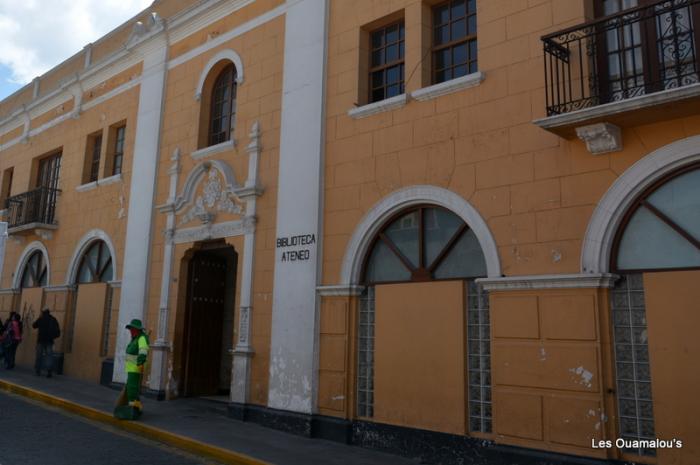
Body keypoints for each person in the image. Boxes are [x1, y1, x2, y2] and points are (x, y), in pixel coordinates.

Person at [115, 319, 149, 419]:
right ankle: (138, 408)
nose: (131, 331)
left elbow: (143, 351)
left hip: (136, 368)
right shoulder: (135, 338)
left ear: (138, 329)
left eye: (133, 329)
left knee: (132, 390)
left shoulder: (142, 338)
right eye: (130, 329)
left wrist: (140, 362)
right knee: (132, 388)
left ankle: (132, 409)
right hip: (131, 368)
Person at [32, 308, 60, 378]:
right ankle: (49, 371)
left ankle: (38, 370)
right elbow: (57, 330)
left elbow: (34, 326)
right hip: (50, 341)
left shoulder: (41, 319)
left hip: (41, 340)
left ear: (43, 313)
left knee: (39, 356)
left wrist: (39, 317)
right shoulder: (53, 319)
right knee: (49, 357)